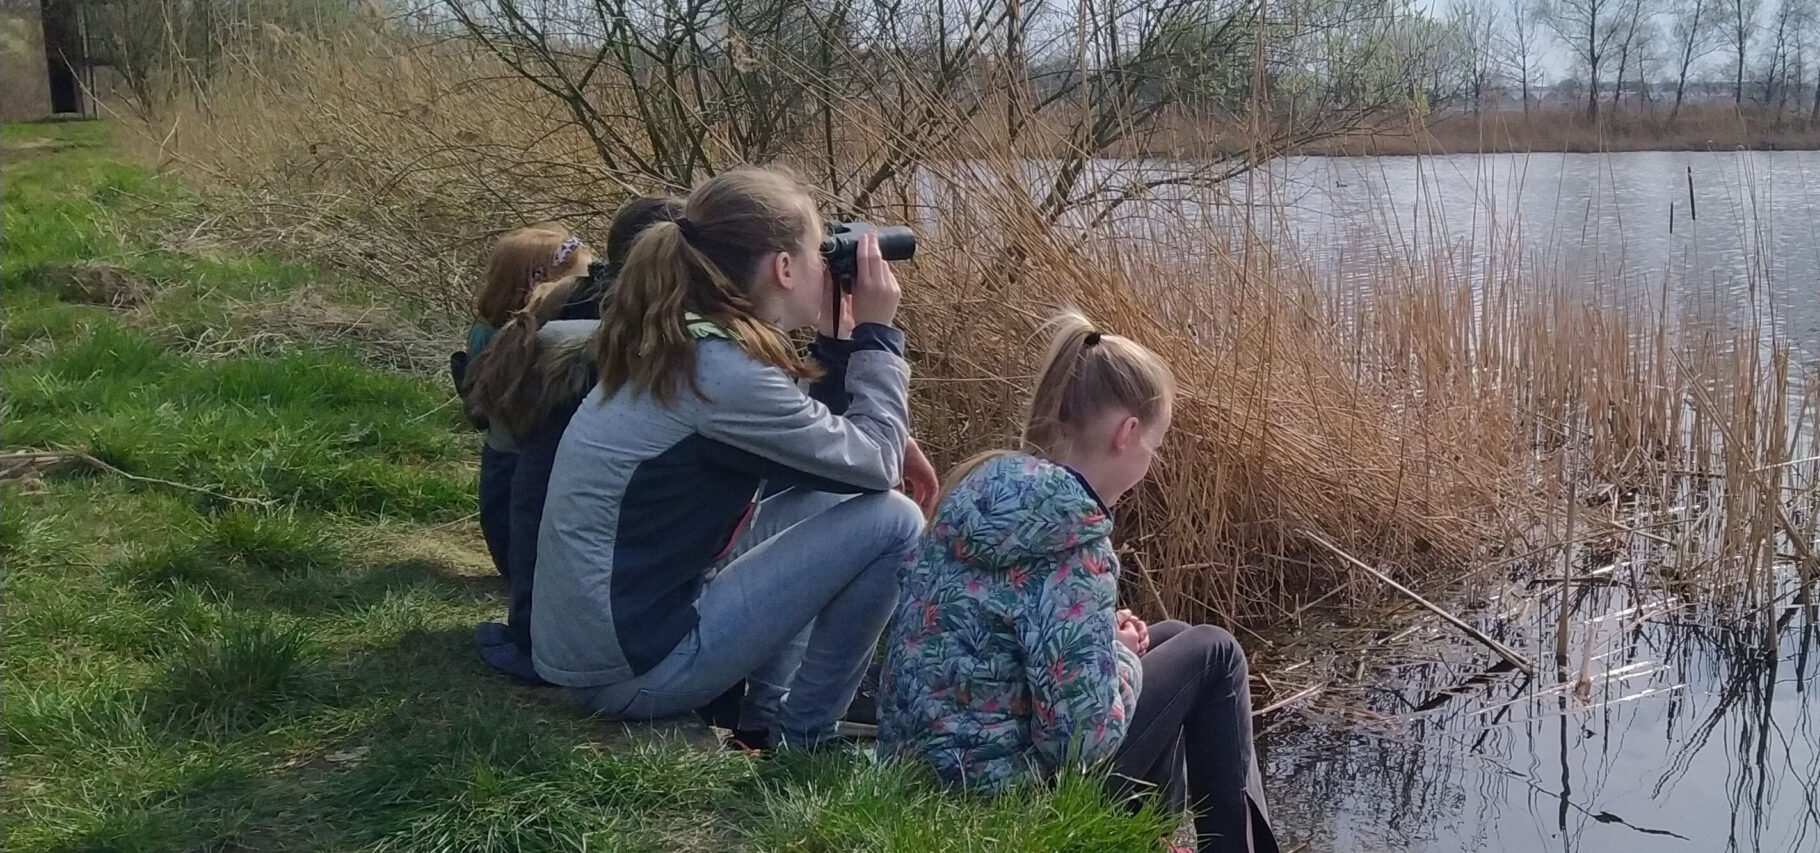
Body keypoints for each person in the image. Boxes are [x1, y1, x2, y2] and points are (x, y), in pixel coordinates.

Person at [530, 167, 930, 749]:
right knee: (895, 522)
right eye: (818, 252)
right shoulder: (723, 374)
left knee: (833, 491)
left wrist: (844, 349)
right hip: (631, 674)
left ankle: (764, 718)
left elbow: (828, 454)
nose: (825, 266)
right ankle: (805, 739)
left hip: (598, 646)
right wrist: (877, 337)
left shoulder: (686, 342)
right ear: (783, 268)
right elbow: (874, 462)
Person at [878, 312, 1279, 853]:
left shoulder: (984, 493)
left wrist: (1104, 644)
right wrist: (1121, 658)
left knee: (1176, 632)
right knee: (1215, 653)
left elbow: (1012, 638)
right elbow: (1080, 742)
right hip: (997, 803)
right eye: (1154, 447)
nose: (1151, 462)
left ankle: (1144, 839)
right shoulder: (1075, 543)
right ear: (1126, 434)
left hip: (925, 770)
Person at [465, 196, 686, 684]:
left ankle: (530, 632)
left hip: (523, 512)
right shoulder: (653, 327)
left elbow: (507, 442)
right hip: (594, 602)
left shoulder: (559, 302)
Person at [455, 226, 592, 579]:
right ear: (543, 281)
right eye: (581, 278)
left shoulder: (487, 328)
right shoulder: (526, 338)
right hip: (517, 459)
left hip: (500, 457)